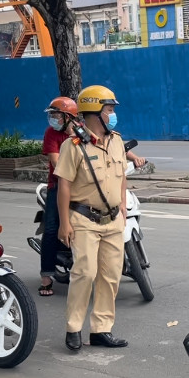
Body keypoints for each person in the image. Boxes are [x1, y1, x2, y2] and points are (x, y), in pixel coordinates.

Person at [56, 85, 131, 351]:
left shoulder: (117, 140)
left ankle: (101, 329)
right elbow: (64, 185)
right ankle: (74, 327)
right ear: (94, 113)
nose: (112, 115)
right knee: (85, 273)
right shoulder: (72, 146)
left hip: (113, 221)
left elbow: (121, 176)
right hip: (84, 219)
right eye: (109, 110)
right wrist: (64, 223)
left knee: (111, 276)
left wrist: (122, 205)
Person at [37, 96, 78, 297]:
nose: (53, 118)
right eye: (52, 115)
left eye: (56, 115)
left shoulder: (82, 131)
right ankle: (46, 277)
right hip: (58, 185)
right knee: (52, 227)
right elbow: (57, 162)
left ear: (69, 117)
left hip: (82, 185)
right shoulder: (51, 133)